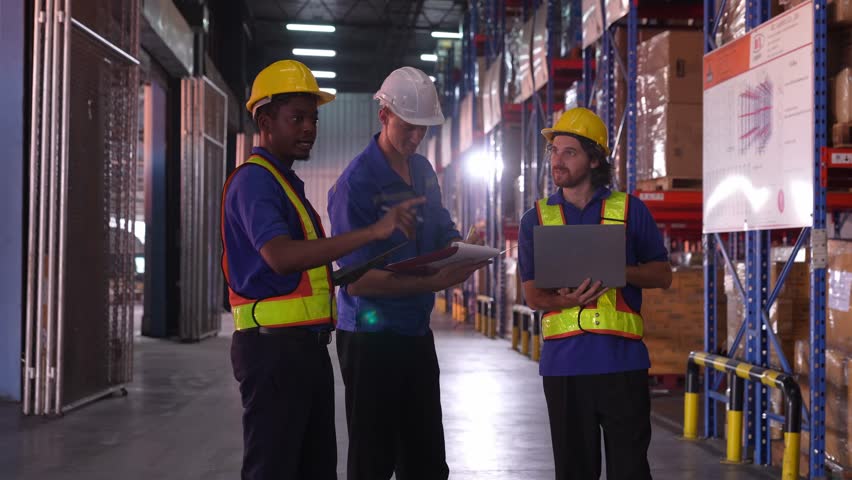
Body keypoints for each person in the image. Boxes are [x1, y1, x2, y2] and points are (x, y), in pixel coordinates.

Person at [221, 59, 423, 480]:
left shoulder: (285, 184)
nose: (309, 128)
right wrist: (372, 232)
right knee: (273, 468)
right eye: (296, 118)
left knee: (314, 468)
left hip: (304, 350)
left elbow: (300, 274)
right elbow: (280, 256)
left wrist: (351, 273)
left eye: (312, 117)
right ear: (264, 120)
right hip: (272, 352)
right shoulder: (254, 181)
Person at [327, 66, 486, 480]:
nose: (416, 139)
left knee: (426, 459)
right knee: (373, 458)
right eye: (409, 128)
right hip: (370, 338)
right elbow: (358, 280)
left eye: (424, 131)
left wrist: (462, 247)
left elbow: (439, 228)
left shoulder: (423, 172)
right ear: (384, 116)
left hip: (415, 332)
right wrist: (432, 282)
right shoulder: (355, 185)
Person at [518, 107, 673, 480]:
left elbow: (663, 274)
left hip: (621, 365)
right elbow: (533, 297)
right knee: (573, 471)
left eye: (568, 152)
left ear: (594, 158)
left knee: (630, 471)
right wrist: (566, 301)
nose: (557, 160)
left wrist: (620, 272)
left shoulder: (629, 210)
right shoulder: (536, 219)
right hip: (564, 370)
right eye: (554, 152)